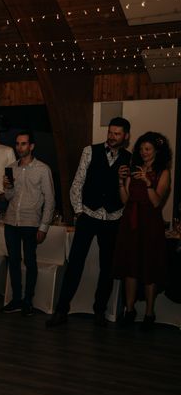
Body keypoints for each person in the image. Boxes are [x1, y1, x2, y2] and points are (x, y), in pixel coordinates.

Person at [46, 117, 132, 328]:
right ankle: (61, 310)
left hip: (113, 218)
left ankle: (100, 311)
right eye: (110, 132)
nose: (112, 137)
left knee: (107, 269)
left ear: (126, 137)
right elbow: (77, 183)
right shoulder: (90, 151)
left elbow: (128, 193)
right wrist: (79, 212)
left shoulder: (130, 159)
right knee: (75, 264)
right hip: (88, 215)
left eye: (117, 134)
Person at [114, 132, 172, 330]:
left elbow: (156, 201)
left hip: (150, 223)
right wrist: (121, 182)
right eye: (141, 149)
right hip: (131, 222)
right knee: (130, 267)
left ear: (157, 150)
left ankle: (149, 313)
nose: (143, 152)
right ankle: (129, 310)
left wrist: (148, 182)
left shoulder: (163, 172)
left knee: (149, 266)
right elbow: (124, 199)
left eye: (147, 149)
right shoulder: (133, 168)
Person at [0, 131, 56, 316]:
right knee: (13, 262)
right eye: (17, 144)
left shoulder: (43, 169)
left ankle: (28, 301)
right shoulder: (11, 167)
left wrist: (44, 226)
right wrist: (7, 186)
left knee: (30, 262)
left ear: (31, 146)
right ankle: (16, 299)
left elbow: (50, 200)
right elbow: (8, 197)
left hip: (31, 221)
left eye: (23, 144)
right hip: (11, 220)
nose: (19, 147)